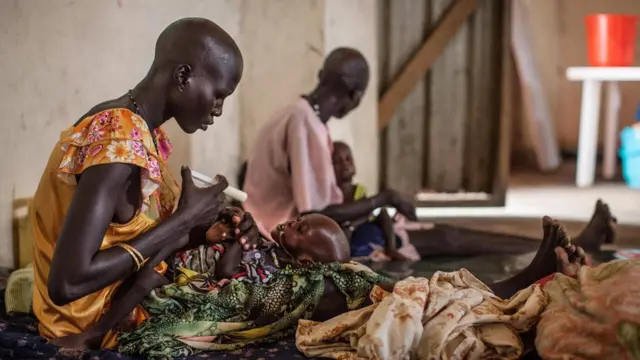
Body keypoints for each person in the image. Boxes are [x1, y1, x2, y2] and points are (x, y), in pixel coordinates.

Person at [30, 18, 261, 349]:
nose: (219, 109)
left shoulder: (143, 133)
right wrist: (184, 219)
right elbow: (67, 282)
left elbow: (141, 239)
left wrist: (208, 228)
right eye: (218, 95)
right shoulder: (117, 135)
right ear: (183, 76)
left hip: (120, 309)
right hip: (83, 325)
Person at [113, 215, 589, 358]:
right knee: (373, 286)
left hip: (274, 290)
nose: (290, 223)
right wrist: (236, 239)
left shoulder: (295, 266)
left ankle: (518, 282)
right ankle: (519, 283)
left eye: (298, 228)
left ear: (300, 255)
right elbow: (229, 282)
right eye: (298, 220)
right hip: (237, 299)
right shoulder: (279, 259)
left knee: (370, 283)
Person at [242, 47, 417, 241]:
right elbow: (314, 216)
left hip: (271, 225)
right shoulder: (303, 123)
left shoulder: (300, 115)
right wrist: (385, 198)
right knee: (428, 239)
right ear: (355, 96)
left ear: (320, 75)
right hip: (277, 234)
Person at [332, 141, 420, 261]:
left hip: (360, 224)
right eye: (337, 162)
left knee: (383, 214)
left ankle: (391, 249)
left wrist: (352, 225)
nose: (345, 165)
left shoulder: (359, 189)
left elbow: (364, 213)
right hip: (348, 233)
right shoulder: (331, 194)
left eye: (348, 159)